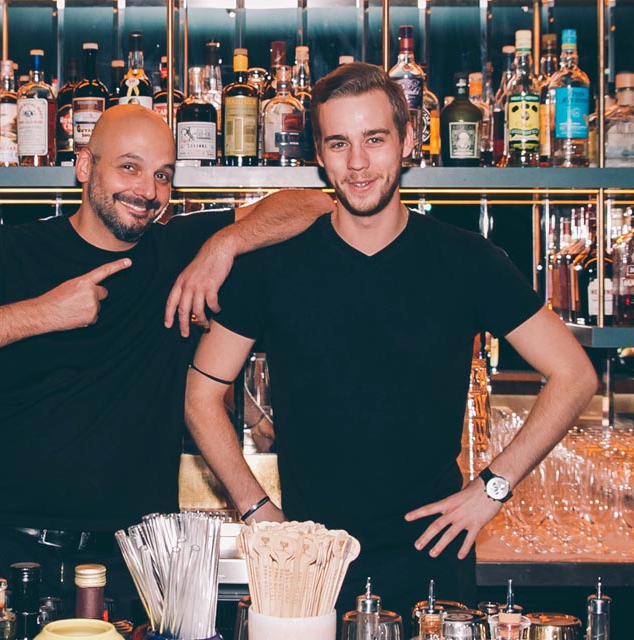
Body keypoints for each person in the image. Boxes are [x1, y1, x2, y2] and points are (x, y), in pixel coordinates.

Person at [183, 62, 599, 618]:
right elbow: (201, 396)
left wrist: (492, 489)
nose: (357, 163)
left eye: (374, 139)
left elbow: (575, 375)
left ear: (407, 140)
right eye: (339, 143)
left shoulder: (467, 260)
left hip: (435, 557)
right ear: (319, 154)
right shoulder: (271, 267)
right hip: (311, 561)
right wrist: (257, 511)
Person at [0, 104, 333, 614]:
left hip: (129, 561)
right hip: (1, 546)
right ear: (84, 166)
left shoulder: (176, 249)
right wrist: (45, 312)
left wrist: (222, 246)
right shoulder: (13, 251)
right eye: (129, 167)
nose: (148, 190)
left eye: (163, 175)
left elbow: (312, 204)